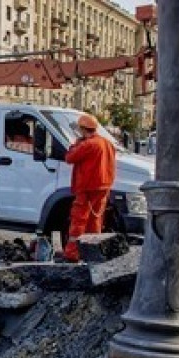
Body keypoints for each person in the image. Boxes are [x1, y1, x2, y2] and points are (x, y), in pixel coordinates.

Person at [62, 113, 116, 263]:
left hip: (87, 188)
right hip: (103, 187)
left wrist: (76, 143)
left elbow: (69, 157)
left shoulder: (87, 144)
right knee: (95, 221)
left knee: (79, 220)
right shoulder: (107, 143)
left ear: (83, 129)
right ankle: (93, 253)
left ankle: (73, 253)